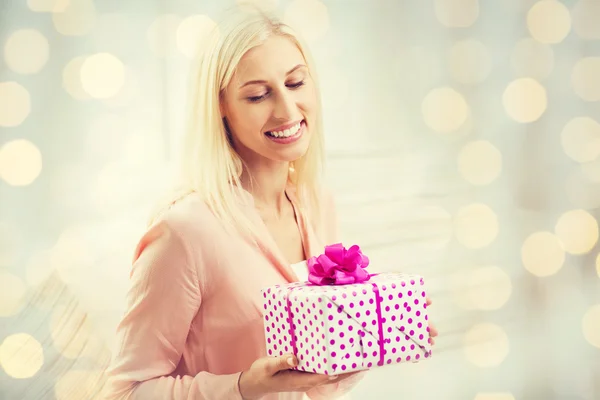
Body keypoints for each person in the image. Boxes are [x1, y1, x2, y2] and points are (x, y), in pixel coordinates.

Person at [102, 5, 437, 400]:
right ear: (221, 107)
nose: (286, 110)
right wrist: (243, 387)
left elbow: (312, 382)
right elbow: (124, 392)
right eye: (258, 95)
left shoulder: (315, 203)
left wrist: (371, 335)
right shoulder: (186, 231)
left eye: (295, 84)